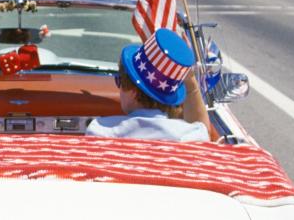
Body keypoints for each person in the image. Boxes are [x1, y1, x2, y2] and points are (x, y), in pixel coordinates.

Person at [86, 28, 216, 142]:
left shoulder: (100, 132)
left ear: (133, 91)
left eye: (119, 81)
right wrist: (190, 80)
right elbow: (204, 132)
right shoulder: (191, 136)